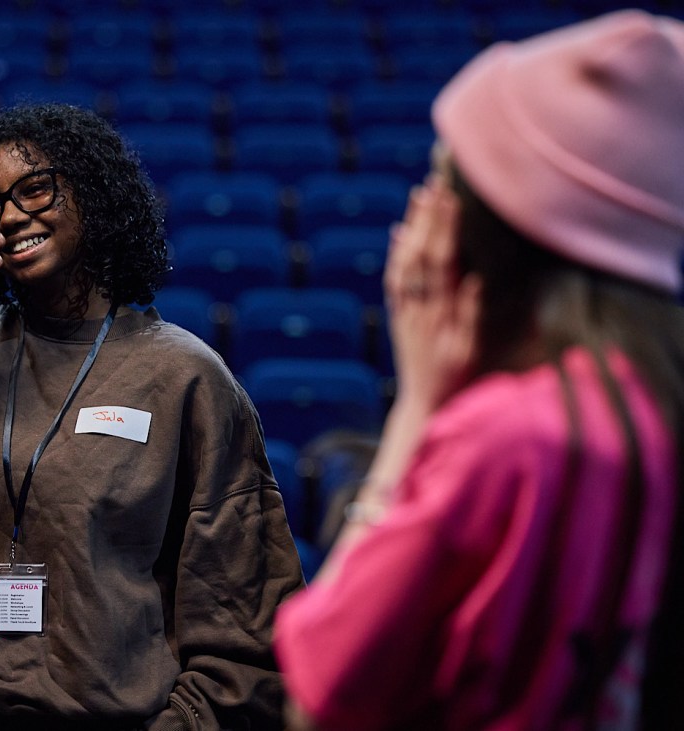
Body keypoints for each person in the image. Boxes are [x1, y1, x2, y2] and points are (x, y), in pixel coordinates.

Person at [0, 103, 305, 730]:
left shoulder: (186, 376)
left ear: (95, 195)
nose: (13, 215)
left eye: (36, 188)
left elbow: (243, 617)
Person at [273, 9, 684, 730]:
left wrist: (417, 412)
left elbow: (320, 691)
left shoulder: (506, 438)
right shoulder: (644, 406)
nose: (420, 216)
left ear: (495, 225)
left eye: (444, 181)